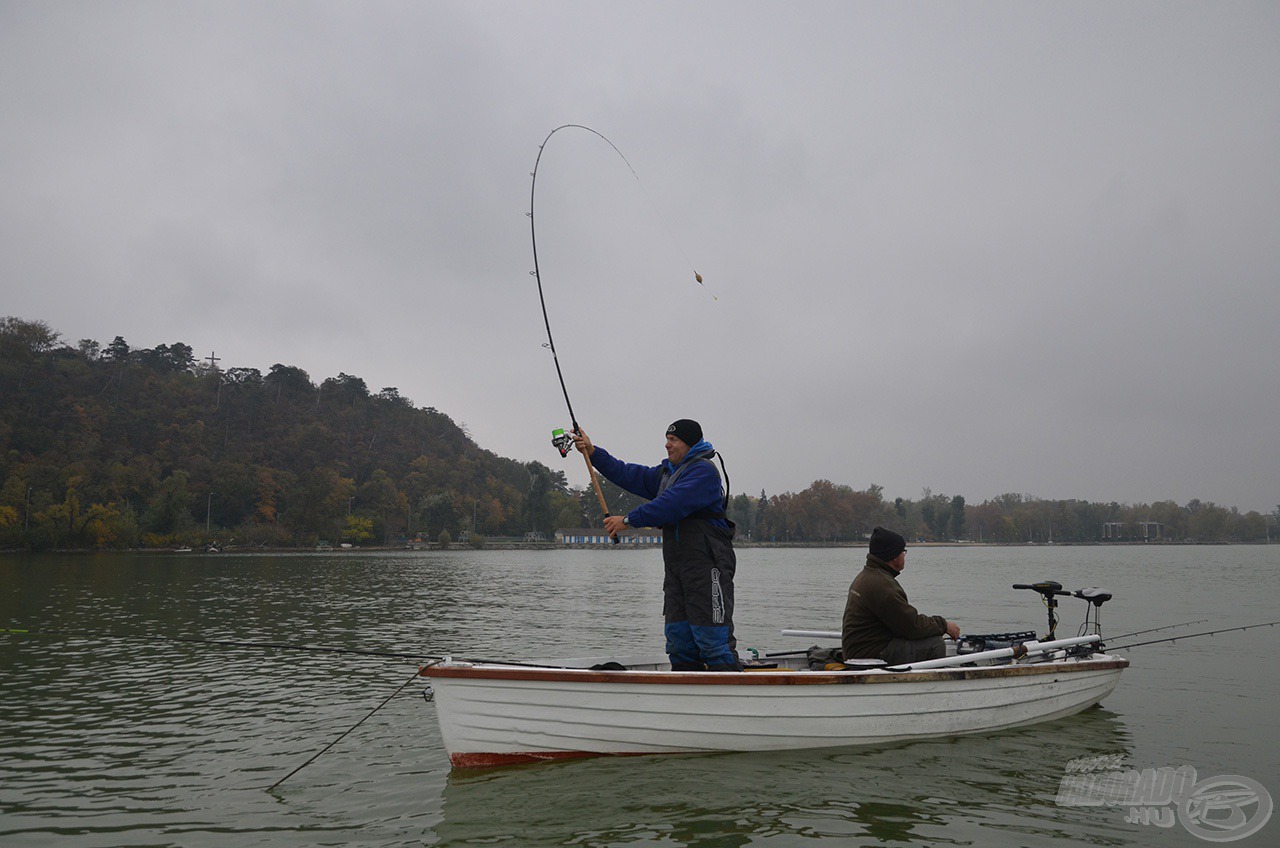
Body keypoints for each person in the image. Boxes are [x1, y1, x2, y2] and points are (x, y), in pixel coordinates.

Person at [573, 419, 741, 671]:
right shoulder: (666, 475)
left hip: (707, 566)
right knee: (679, 641)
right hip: (677, 571)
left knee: (712, 639)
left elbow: (671, 504)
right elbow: (626, 473)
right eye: (666, 439)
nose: (667, 445)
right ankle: (683, 697)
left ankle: (731, 694)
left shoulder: (703, 472)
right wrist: (593, 452)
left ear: (689, 443)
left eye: (673, 440)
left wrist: (628, 520)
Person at [842, 526, 961, 665]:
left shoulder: (867, 575)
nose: (904, 555)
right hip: (869, 654)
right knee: (936, 644)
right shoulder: (883, 586)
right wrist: (944, 625)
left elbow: (902, 623)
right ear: (893, 556)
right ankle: (929, 685)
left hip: (856, 650)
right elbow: (911, 626)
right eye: (903, 551)